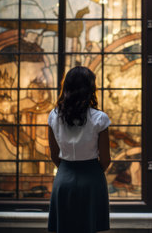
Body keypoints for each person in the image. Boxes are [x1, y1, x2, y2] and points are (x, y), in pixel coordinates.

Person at [47, 66, 111, 233]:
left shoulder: (53, 115)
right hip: (92, 179)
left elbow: (54, 155)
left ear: (66, 87)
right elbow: (105, 160)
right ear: (90, 88)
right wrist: (92, 170)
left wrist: (67, 168)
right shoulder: (100, 118)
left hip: (64, 178)